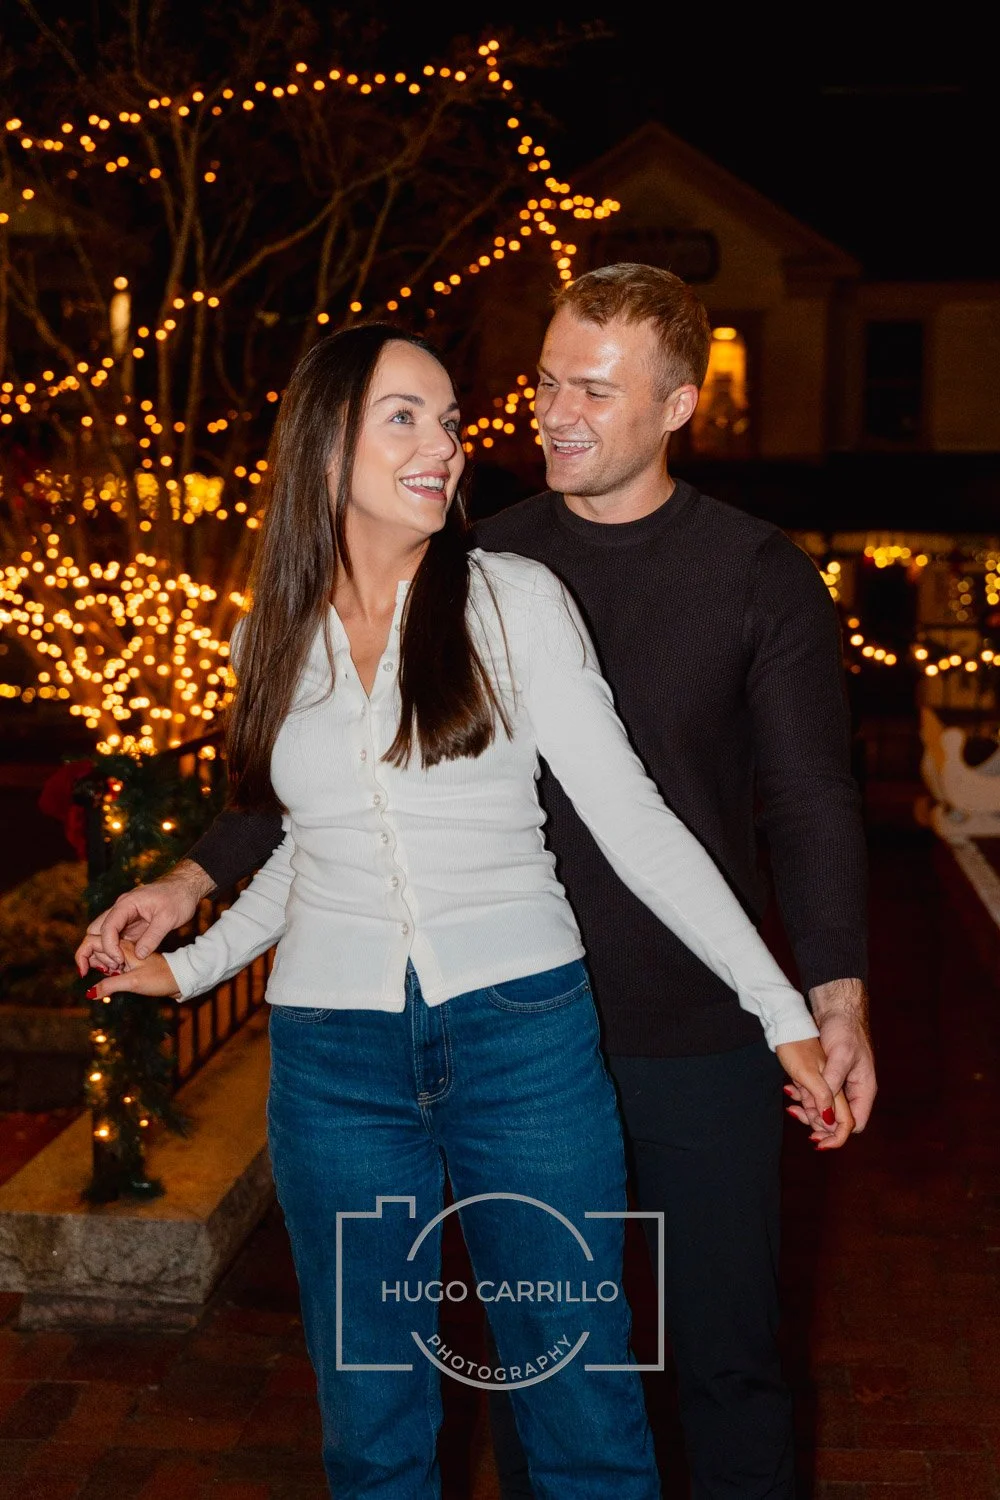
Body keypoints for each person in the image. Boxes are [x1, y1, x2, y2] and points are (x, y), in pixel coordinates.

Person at [79, 269, 874, 1499]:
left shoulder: (648, 583)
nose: (520, 421)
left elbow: (745, 808)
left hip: (590, 1033)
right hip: (365, 1051)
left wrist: (808, 1003)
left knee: (652, 1382)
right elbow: (323, 826)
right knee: (421, 1403)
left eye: (588, 389)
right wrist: (187, 919)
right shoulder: (379, 593)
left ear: (675, 407)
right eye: (539, 383)